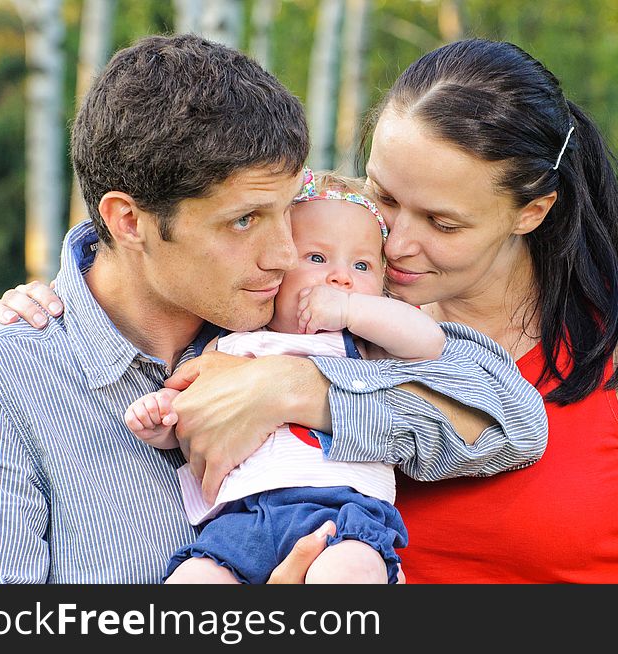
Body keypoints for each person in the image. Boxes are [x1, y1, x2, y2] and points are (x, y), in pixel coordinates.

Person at [0, 37, 618, 583]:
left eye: (442, 223)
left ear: (531, 212)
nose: (397, 242)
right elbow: (183, 234)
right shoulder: (287, 306)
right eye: (382, 196)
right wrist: (63, 291)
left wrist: (296, 392)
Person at [0, 35, 548, 584]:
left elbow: (516, 421)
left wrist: (294, 388)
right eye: (245, 220)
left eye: (287, 211)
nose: (284, 254)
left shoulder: (289, 317)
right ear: (129, 220)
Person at [129, 170, 445, 584]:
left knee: (346, 572)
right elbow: (197, 419)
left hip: (341, 511)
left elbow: (428, 342)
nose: (341, 277)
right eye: (317, 258)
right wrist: (163, 420)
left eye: (363, 265)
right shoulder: (231, 344)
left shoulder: (365, 345)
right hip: (242, 517)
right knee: (193, 578)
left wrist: (350, 311)